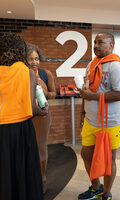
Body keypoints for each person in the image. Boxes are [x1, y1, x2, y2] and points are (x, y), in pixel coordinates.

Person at [78, 32, 120, 200]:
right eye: (95, 42)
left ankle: (106, 193)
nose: (96, 46)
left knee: (108, 160)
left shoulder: (115, 66)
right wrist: (82, 113)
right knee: (86, 154)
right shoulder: (91, 65)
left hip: (111, 122)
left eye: (101, 42)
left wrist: (91, 97)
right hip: (91, 120)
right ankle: (96, 187)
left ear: (111, 45)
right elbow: (87, 91)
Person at [0, 33, 48, 199]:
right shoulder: (25, 72)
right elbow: (33, 107)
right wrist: (44, 111)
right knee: (23, 172)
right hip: (20, 130)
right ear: (21, 51)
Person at [26, 43, 56, 193]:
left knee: (41, 146)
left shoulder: (46, 74)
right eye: (30, 59)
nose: (34, 62)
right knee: (27, 147)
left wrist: (42, 90)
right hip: (26, 114)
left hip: (43, 114)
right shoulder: (22, 74)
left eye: (36, 58)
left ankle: (42, 179)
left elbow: (53, 94)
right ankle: (29, 178)